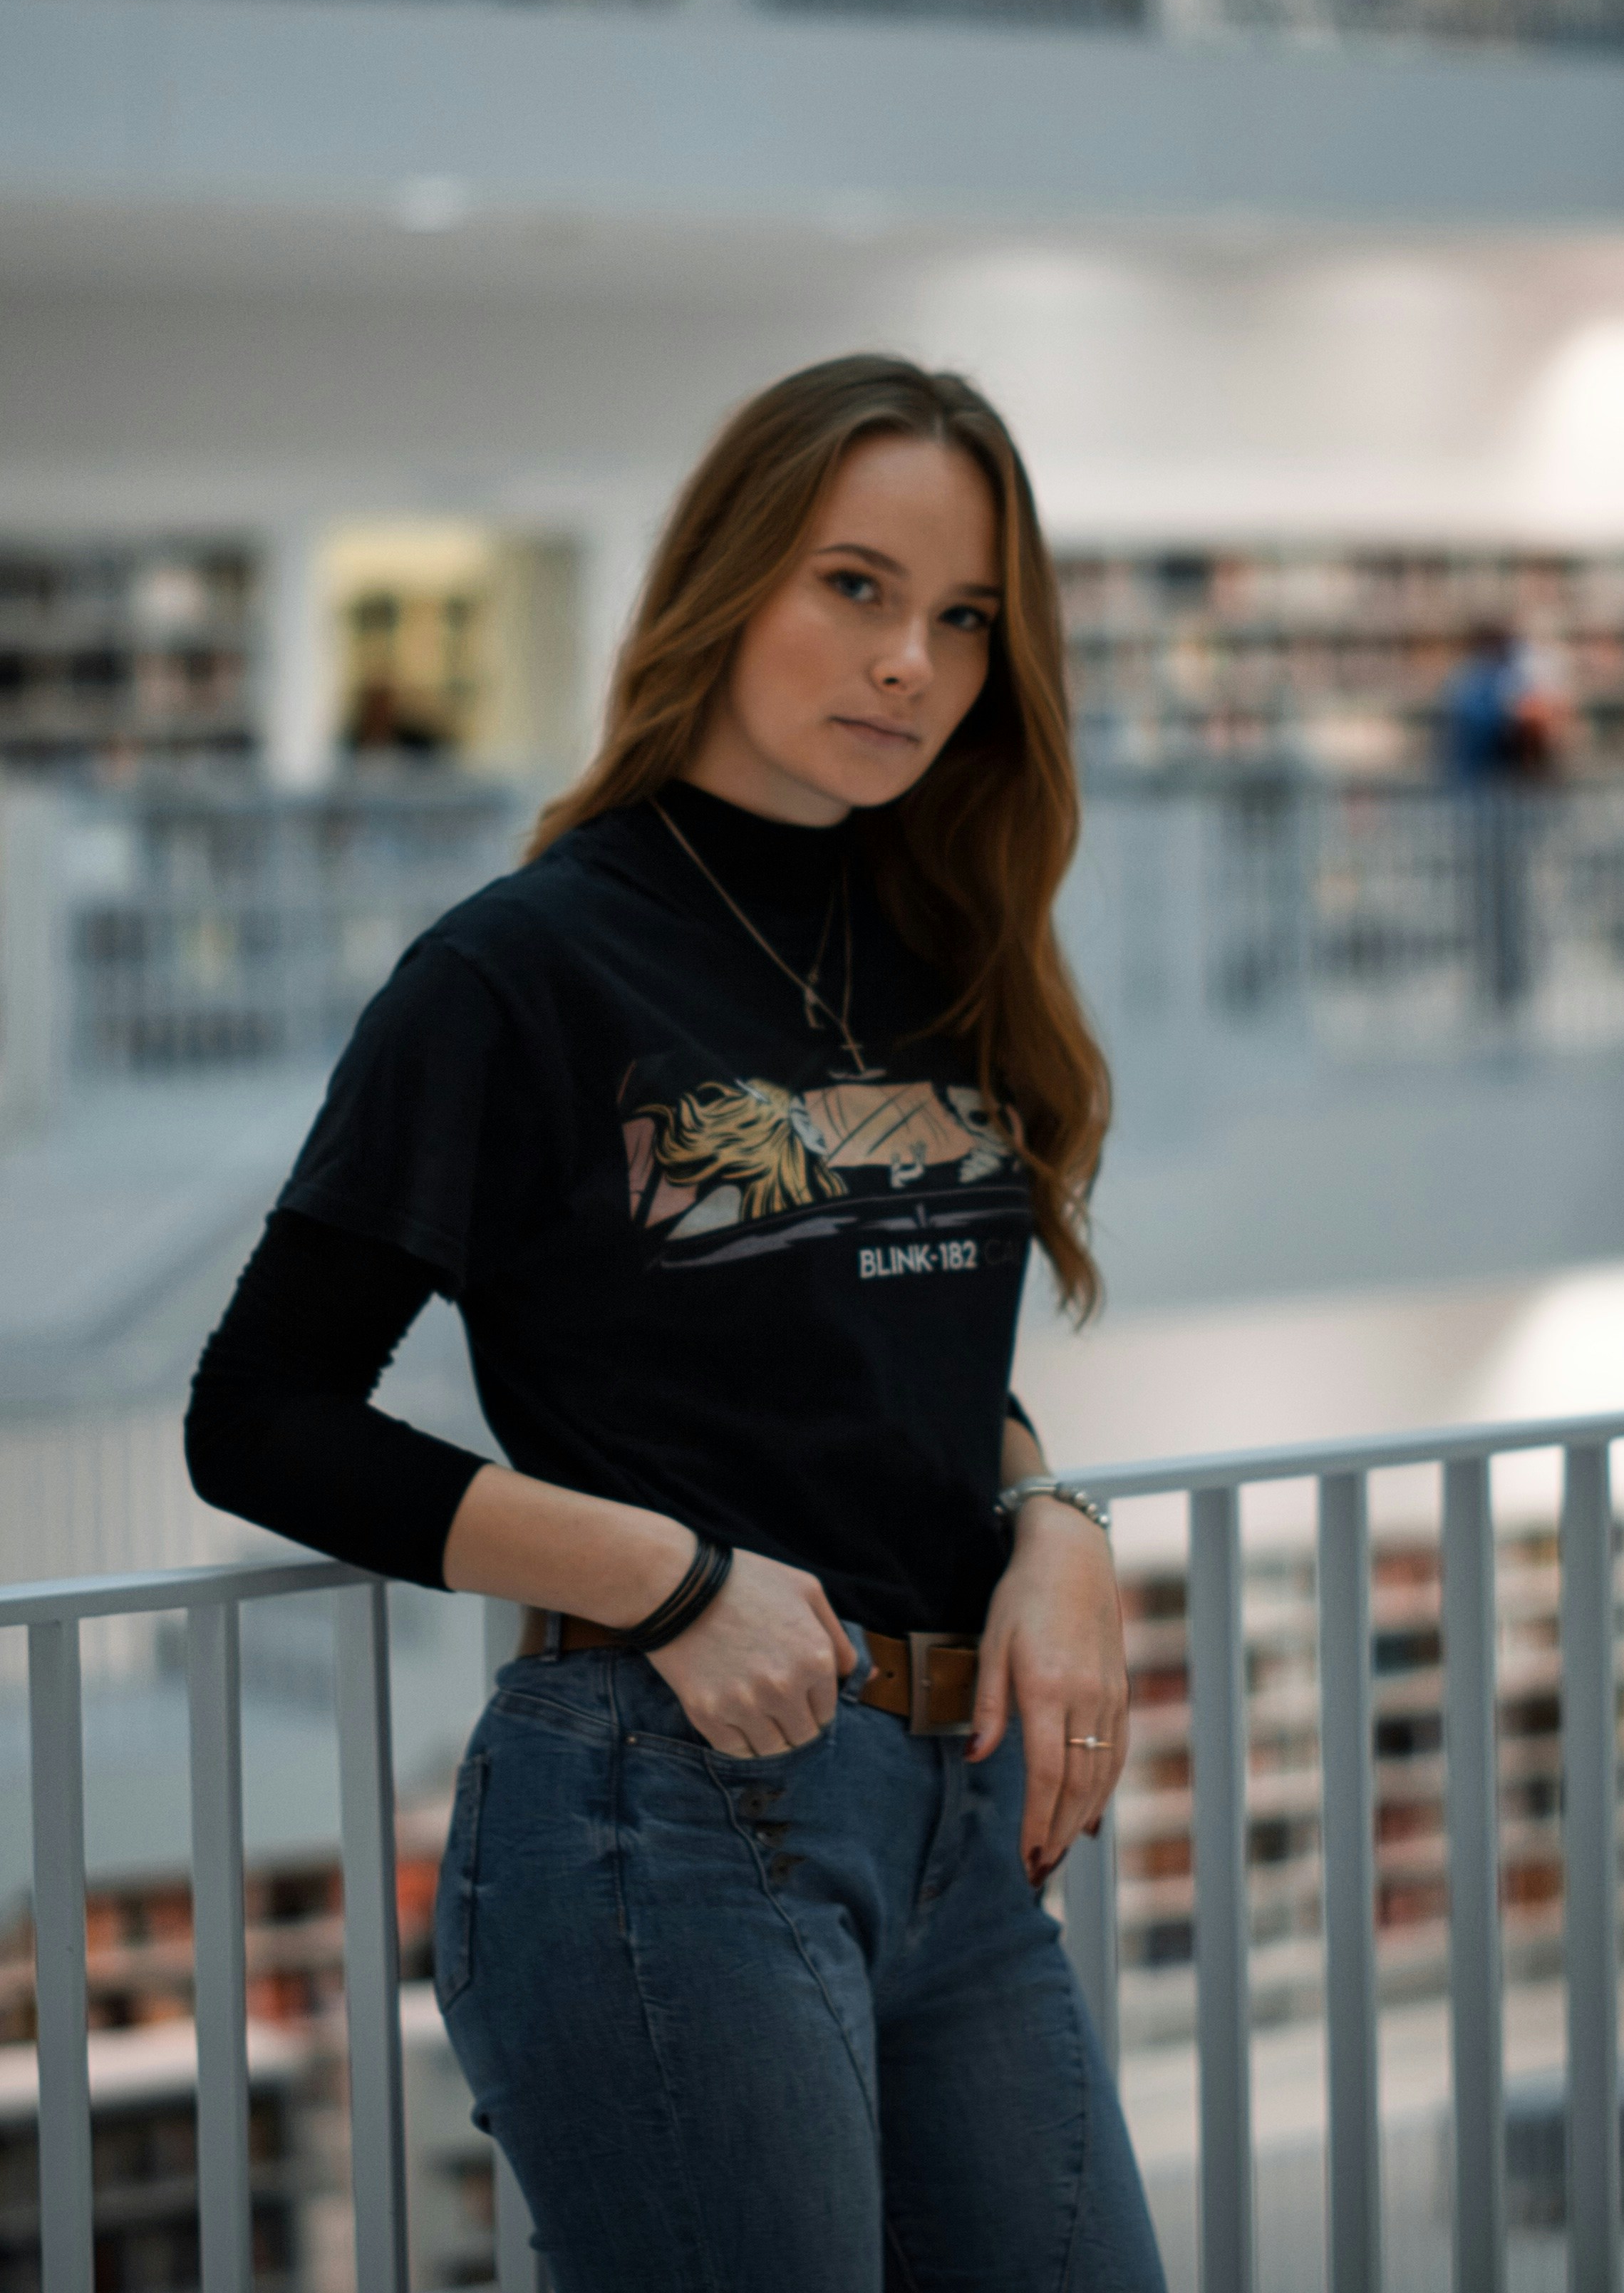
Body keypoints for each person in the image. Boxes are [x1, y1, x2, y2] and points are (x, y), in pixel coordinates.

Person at [186, 355, 1159, 2290]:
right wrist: (667, 1575)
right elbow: (262, 1413)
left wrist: (1053, 1524)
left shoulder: (940, 950)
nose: (911, 664)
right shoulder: (517, 969)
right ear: (726, 581)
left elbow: (880, 1368)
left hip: (956, 1830)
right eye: (855, 587)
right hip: (665, 1812)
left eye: (967, 619)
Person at [1440, 618, 1562, 1024]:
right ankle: (1503, 982)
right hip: (1494, 805)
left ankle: (1505, 982)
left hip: (1491, 806)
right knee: (1501, 902)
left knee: (1502, 902)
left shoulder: (1476, 685)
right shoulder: (1491, 686)